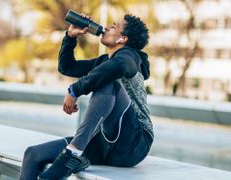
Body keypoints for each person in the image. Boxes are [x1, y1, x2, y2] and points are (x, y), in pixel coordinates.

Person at [18, 13, 154, 180]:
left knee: (107, 82)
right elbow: (67, 67)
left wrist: (75, 90)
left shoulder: (131, 57)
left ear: (122, 39)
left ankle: (73, 153)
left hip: (134, 142)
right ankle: (74, 154)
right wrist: (70, 37)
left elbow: (118, 67)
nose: (108, 27)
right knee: (33, 154)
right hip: (103, 144)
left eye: (114, 26)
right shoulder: (104, 61)